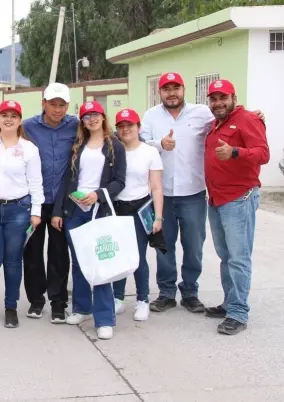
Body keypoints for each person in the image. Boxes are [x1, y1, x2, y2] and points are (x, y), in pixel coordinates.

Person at [140, 72, 264, 314]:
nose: (172, 92)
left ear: (183, 89)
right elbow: (139, 143)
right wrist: (159, 145)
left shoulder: (203, 113)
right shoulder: (150, 116)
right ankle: (166, 293)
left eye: (176, 87)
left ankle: (190, 292)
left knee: (194, 246)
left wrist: (253, 115)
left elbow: (227, 117)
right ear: (160, 93)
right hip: (161, 194)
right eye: (167, 89)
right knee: (163, 246)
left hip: (193, 194)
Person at [51, 101, 126, 340]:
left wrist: (98, 195)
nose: (91, 119)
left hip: (99, 209)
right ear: (81, 121)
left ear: (103, 117)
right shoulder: (78, 145)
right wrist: (58, 210)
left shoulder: (114, 145)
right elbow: (67, 180)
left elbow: (119, 181)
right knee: (79, 261)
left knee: (100, 264)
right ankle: (82, 308)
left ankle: (104, 318)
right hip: (76, 208)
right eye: (86, 116)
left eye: (95, 114)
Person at [203, 80, 269, 335]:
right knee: (226, 257)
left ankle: (239, 313)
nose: (218, 103)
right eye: (214, 98)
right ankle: (230, 302)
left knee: (239, 258)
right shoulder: (215, 123)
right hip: (217, 199)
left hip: (239, 198)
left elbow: (263, 153)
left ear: (233, 97)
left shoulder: (247, 119)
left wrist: (235, 152)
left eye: (223, 98)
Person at [0, 100, 44, 329]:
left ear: (20, 120)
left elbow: (36, 183)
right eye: (5, 114)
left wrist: (36, 212)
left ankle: (11, 308)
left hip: (19, 211)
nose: (9, 119)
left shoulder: (29, 149)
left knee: (13, 263)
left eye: (14, 115)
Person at [20, 83, 78, 323]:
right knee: (32, 253)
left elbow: (104, 134)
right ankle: (36, 300)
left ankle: (58, 302)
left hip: (60, 203)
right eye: (52, 104)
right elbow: (2, 135)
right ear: (43, 103)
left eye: (61, 104)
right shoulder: (28, 127)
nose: (57, 109)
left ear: (67, 105)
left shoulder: (75, 125)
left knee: (58, 254)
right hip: (33, 201)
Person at [112, 109, 164, 322]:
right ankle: (118, 298)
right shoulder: (113, 150)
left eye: (130, 125)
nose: (126, 129)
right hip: (116, 208)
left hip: (139, 210)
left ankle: (143, 299)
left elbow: (157, 187)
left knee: (138, 257)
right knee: (118, 257)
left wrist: (158, 217)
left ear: (138, 127)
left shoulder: (149, 152)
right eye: (121, 126)